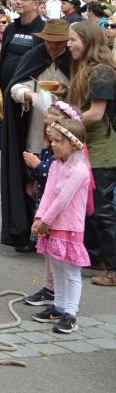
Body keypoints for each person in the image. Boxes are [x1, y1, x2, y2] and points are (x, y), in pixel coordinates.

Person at [0, 19, 74, 251]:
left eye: (59, 43)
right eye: (50, 42)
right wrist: (29, 95)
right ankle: (30, 232)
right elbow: (14, 87)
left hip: (65, 132)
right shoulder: (33, 56)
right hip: (34, 129)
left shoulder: (73, 60)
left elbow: (82, 92)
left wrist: (67, 92)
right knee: (32, 182)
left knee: (59, 184)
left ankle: (55, 234)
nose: (53, 47)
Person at [29, 115, 93, 332]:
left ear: (74, 143)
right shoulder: (57, 165)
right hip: (52, 225)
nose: (53, 144)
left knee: (71, 273)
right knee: (56, 268)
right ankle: (58, 307)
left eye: (58, 141)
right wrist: (39, 217)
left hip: (70, 227)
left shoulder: (80, 170)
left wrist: (45, 221)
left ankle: (71, 315)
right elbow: (48, 194)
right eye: (52, 140)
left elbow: (62, 200)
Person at [66, 21, 116, 287]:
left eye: (73, 40)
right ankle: (97, 258)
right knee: (93, 209)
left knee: (104, 211)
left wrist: (65, 124)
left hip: (104, 150)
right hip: (89, 147)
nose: (69, 44)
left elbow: (96, 114)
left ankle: (114, 269)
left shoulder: (103, 73)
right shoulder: (85, 69)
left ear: (89, 41)